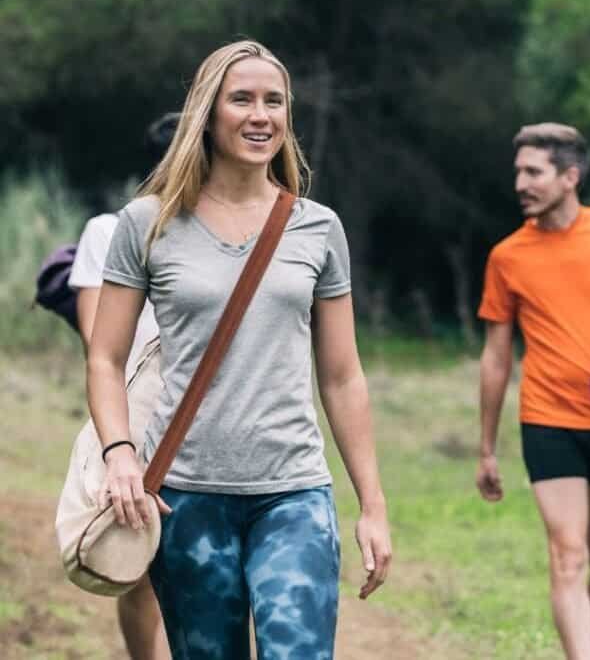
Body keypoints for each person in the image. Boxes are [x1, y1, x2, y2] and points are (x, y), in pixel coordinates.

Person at [86, 40, 392, 658]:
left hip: (294, 493)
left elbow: (341, 376)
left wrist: (372, 504)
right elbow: (105, 358)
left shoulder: (317, 227)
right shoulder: (148, 223)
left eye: (274, 101)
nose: (261, 115)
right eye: (242, 99)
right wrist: (120, 453)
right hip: (184, 499)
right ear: (208, 112)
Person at [475, 123, 590, 660]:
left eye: (533, 172)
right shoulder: (506, 256)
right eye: (518, 172)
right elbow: (495, 357)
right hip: (548, 419)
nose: (521, 183)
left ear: (570, 176)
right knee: (566, 554)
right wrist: (487, 448)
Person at [69, 114, 178, 659]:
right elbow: (100, 341)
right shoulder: (109, 231)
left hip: (202, 413)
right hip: (134, 410)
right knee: (137, 564)